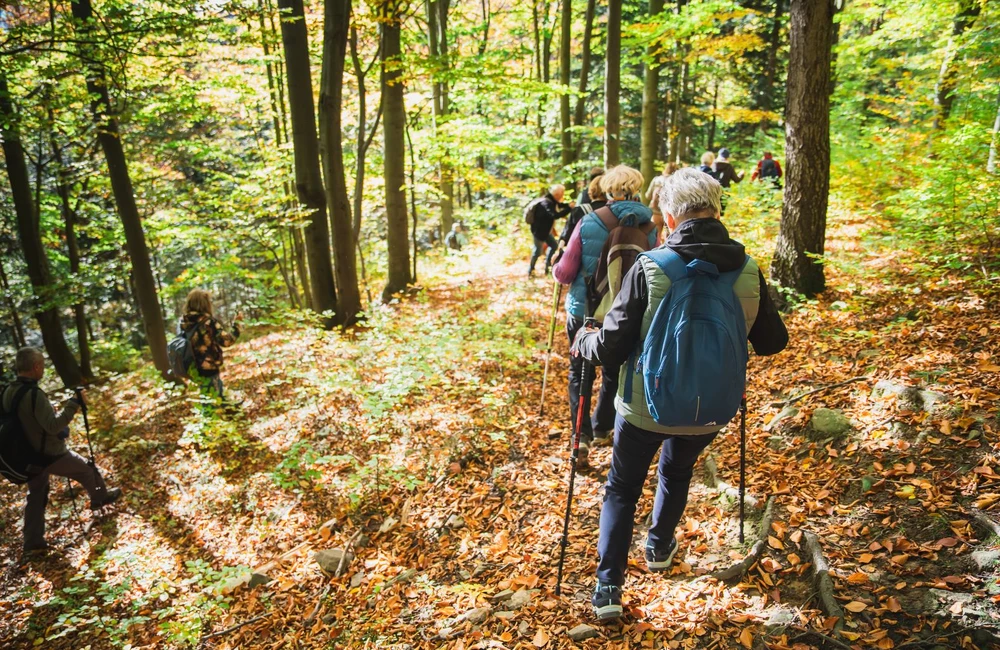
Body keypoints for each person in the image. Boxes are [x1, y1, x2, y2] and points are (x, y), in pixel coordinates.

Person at [570, 168, 788, 620]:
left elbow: (611, 348)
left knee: (622, 488)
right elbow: (772, 342)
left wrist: (584, 338)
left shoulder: (650, 268)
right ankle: (659, 546)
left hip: (644, 406)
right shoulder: (748, 270)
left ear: (669, 218)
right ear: (718, 209)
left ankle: (608, 587)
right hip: (712, 408)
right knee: (677, 470)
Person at [553, 165, 657, 467]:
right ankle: (602, 427)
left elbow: (565, 272)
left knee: (579, 372)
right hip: (625, 315)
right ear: (637, 188)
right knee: (614, 371)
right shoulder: (650, 228)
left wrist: (557, 265)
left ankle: (580, 438)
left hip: (585, 312)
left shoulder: (588, 222)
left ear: (607, 189)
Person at [2, 347, 122, 555]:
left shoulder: (7, 391)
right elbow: (52, 426)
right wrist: (73, 404)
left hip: (26, 456)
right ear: (36, 366)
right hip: (49, 454)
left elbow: (26, 421)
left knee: (36, 495)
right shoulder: (34, 394)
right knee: (86, 468)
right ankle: (100, 498)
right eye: (42, 366)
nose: (44, 370)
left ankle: (32, 543)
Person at [179, 289, 241, 402]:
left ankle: (216, 415)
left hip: (192, 367)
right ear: (204, 304)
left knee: (207, 397)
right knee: (215, 400)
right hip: (208, 366)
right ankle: (220, 416)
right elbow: (227, 341)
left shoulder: (184, 322)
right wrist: (237, 325)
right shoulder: (208, 322)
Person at [528, 185, 573, 277]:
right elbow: (554, 215)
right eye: (562, 194)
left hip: (546, 232)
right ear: (557, 194)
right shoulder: (546, 202)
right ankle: (530, 271)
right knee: (537, 252)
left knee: (553, 246)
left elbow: (560, 205)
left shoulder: (551, 200)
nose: (562, 196)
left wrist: (568, 206)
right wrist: (569, 208)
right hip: (538, 232)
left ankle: (548, 269)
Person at [559, 175, 608, 249]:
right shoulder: (615, 211)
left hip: (583, 255)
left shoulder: (579, 210)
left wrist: (559, 251)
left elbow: (566, 236)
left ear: (590, 191)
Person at [645, 163, 680, 245]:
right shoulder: (676, 181)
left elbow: (647, 195)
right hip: (670, 212)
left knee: (656, 236)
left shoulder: (656, 179)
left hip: (655, 211)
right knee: (670, 236)